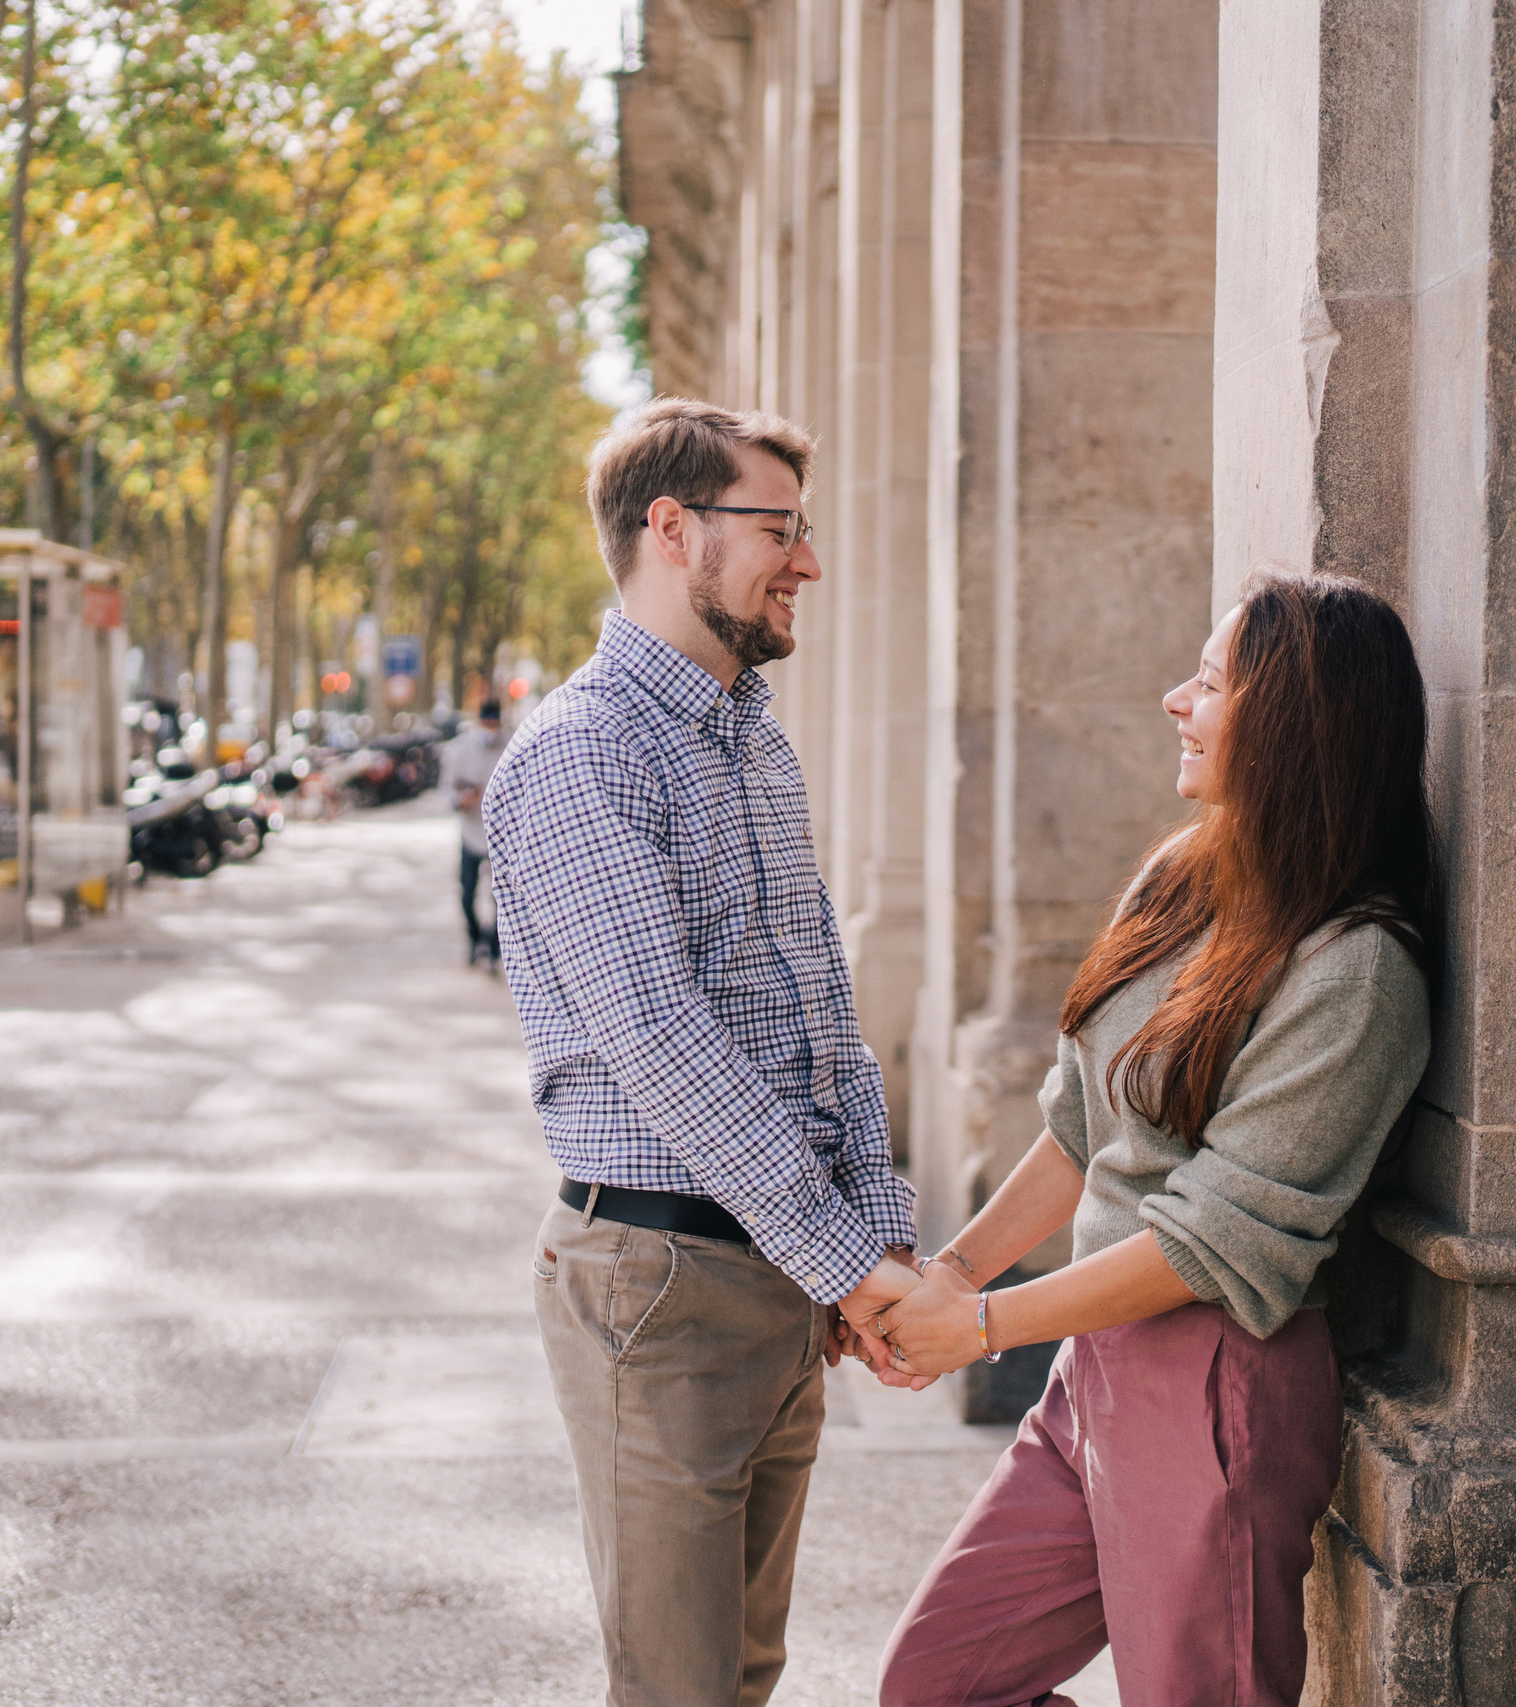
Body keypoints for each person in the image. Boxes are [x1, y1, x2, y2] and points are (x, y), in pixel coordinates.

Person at [869, 566, 1438, 1707]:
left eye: (1211, 681)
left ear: (1292, 724)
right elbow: (1082, 1122)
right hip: (1093, 1367)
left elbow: (1212, 1245)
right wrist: (952, 1272)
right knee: (933, 1686)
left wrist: (977, 1328)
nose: (1175, 700)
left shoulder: (1356, 972)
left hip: (1217, 1385)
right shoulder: (1182, 879)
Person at [479, 397, 924, 1706]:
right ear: (672, 529)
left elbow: (819, 1015)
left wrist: (875, 1233)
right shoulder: (580, 754)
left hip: (778, 1275)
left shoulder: (752, 740)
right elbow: (667, 1049)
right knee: (677, 1688)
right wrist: (852, 1262)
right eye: (779, 527)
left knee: (742, 1673)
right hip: (659, 1285)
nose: (810, 561)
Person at [443, 697, 507, 967]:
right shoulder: (460, 749)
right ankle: (474, 939)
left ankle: (494, 949)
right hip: (470, 831)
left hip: (501, 834)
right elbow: (446, 791)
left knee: (501, 900)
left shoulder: (512, 744)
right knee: (467, 894)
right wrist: (462, 799)